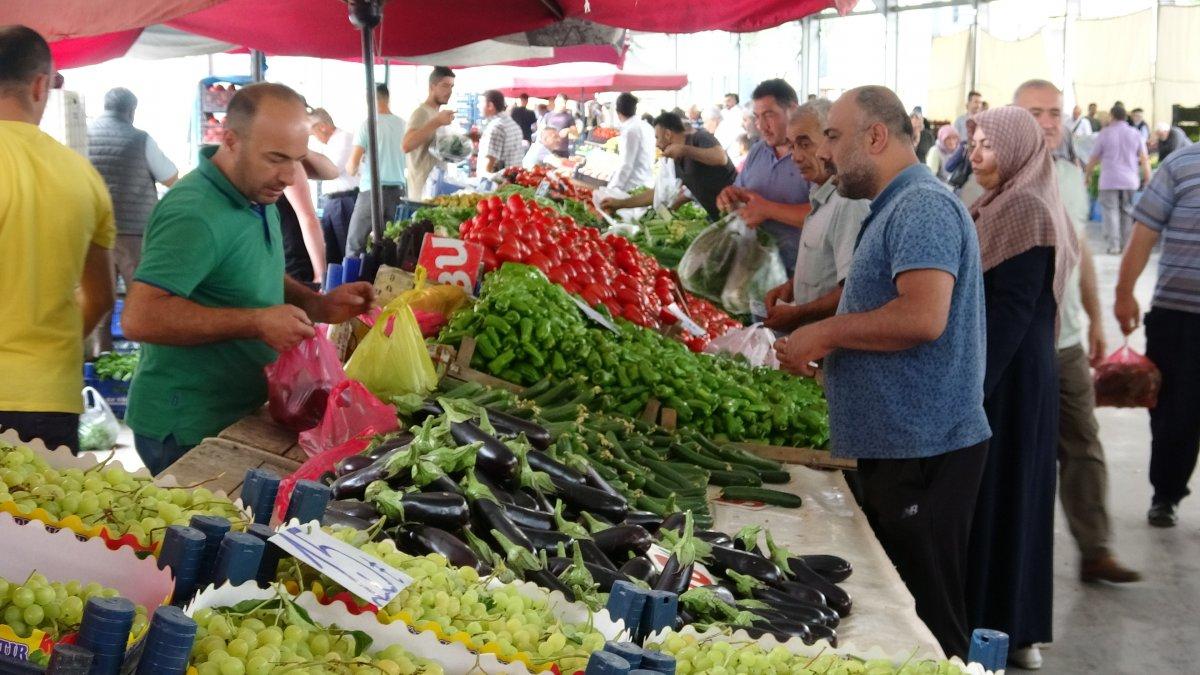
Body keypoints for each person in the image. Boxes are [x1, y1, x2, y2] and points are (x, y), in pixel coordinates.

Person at [774, 85, 990, 660]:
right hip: (901, 444)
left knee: (930, 624)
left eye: (836, 137)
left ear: (875, 136)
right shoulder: (896, 205)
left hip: (922, 449)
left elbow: (922, 316)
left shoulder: (922, 206)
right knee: (904, 616)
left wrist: (824, 333)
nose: (826, 153)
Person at [121, 83, 375, 474]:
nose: (289, 176)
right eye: (276, 158)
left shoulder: (256, 193)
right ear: (231, 140)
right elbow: (140, 318)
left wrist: (317, 303)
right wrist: (255, 323)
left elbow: (258, 272)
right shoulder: (193, 212)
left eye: (297, 159)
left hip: (242, 412)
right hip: (190, 425)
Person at [964, 105, 1080, 671]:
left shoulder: (1027, 209)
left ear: (1017, 150)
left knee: (1008, 493)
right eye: (974, 141)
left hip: (1011, 374)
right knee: (1004, 494)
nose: (976, 152)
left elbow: (1009, 312)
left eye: (988, 144)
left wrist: (972, 392)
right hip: (1005, 365)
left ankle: (1009, 628)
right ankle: (1001, 623)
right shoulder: (996, 201)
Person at [1013, 79, 1141, 586]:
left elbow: (1082, 253)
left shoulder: (1068, 175)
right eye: (1036, 112)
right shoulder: (986, 180)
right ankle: (1019, 565)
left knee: (1083, 442)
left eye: (1055, 112)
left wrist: (1095, 320)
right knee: (1023, 455)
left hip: (1063, 342)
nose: (1048, 122)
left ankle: (1096, 549)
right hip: (1015, 349)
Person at [0, 25, 116, 453]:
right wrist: (56, 342)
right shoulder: (83, 176)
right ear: (39, 84)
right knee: (44, 517)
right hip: (50, 398)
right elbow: (101, 297)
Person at [1114, 141, 1200, 528]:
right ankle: (1165, 494)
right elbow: (1144, 231)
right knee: (1173, 412)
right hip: (1179, 315)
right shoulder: (1181, 163)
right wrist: (1123, 291)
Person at [762, 99, 868, 333]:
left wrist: (798, 314)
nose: (796, 157)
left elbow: (852, 291)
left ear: (832, 142)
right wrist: (792, 287)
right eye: (792, 146)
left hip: (827, 349)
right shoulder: (821, 196)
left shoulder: (848, 203)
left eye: (805, 144)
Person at [86, 87, 178, 354]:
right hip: (133, 232)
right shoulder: (140, 139)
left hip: (94, 231)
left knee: (99, 297)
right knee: (142, 298)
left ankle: (100, 353)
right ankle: (146, 355)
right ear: (131, 111)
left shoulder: (86, 135)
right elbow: (171, 179)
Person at [715, 79, 812, 276]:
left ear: (793, 109)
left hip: (801, 274)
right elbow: (743, 194)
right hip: (756, 267)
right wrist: (731, 197)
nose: (761, 126)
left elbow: (827, 216)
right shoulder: (758, 150)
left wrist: (767, 209)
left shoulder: (815, 155)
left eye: (769, 115)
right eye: (757, 117)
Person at [599, 111, 736, 220]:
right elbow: (658, 193)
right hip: (719, 215)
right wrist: (619, 204)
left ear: (668, 134)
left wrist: (684, 149)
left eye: (657, 137)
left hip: (738, 208)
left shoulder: (699, 137)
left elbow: (721, 158)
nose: (657, 144)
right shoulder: (675, 162)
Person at [345, 83, 407, 257]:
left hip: (371, 194)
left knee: (355, 244)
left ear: (370, 101)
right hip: (398, 193)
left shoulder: (368, 124)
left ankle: (354, 283)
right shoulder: (403, 125)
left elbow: (352, 166)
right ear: (387, 98)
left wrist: (355, 168)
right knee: (392, 244)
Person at [1084, 105, 1152, 254]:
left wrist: (1087, 175)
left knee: (1111, 211)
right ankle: (1127, 245)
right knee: (1127, 211)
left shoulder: (1105, 134)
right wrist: (1147, 176)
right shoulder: (1135, 133)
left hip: (1109, 180)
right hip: (1130, 180)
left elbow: (1094, 158)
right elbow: (1144, 158)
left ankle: (1114, 245)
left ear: (1111, 116)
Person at [308, 108, 358, 265]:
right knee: (331, 251)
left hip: (344, 200)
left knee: (345, 249)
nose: (314, 137)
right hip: (331, 202)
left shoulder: (345, 138)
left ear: (322, 126)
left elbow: (332, 170)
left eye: (313, 131)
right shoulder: (331, 143)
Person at [400, 66, 455, 201]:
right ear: (432, 87)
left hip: (437, 193)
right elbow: (406, 145)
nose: (449, 91)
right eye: (445, 86)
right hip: (422, 197)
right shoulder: (421, 113)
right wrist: (437, 122)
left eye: (452, 86)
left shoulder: (437, 114)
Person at [607, 92, 655, 193]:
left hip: (632, 187)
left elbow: (626, 164)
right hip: (647, 183)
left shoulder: (630, 130)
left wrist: (611, 189)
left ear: (618, 112)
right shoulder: (647, 126)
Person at [476, 90, 524, 176]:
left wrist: (482, 181)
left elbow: (490, 161)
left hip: (499, 183)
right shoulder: (511, 123)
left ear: (490, 106)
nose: (478, 106)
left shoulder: (496, 127)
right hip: (513, 178)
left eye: (480, 103)